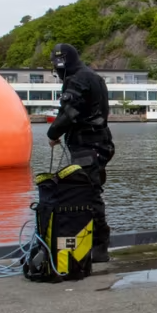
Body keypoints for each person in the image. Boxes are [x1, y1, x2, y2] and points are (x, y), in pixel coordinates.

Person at [46, 43, 116, 262]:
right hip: (99, 143)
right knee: (89, 193)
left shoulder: (77, 79)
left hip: (88, 146)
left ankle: (98, 247)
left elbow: (69, 113)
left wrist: (52, 133)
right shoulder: (93, 77)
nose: (58, 72)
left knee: (89, 195)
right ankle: (93, 245)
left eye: (59, 67)